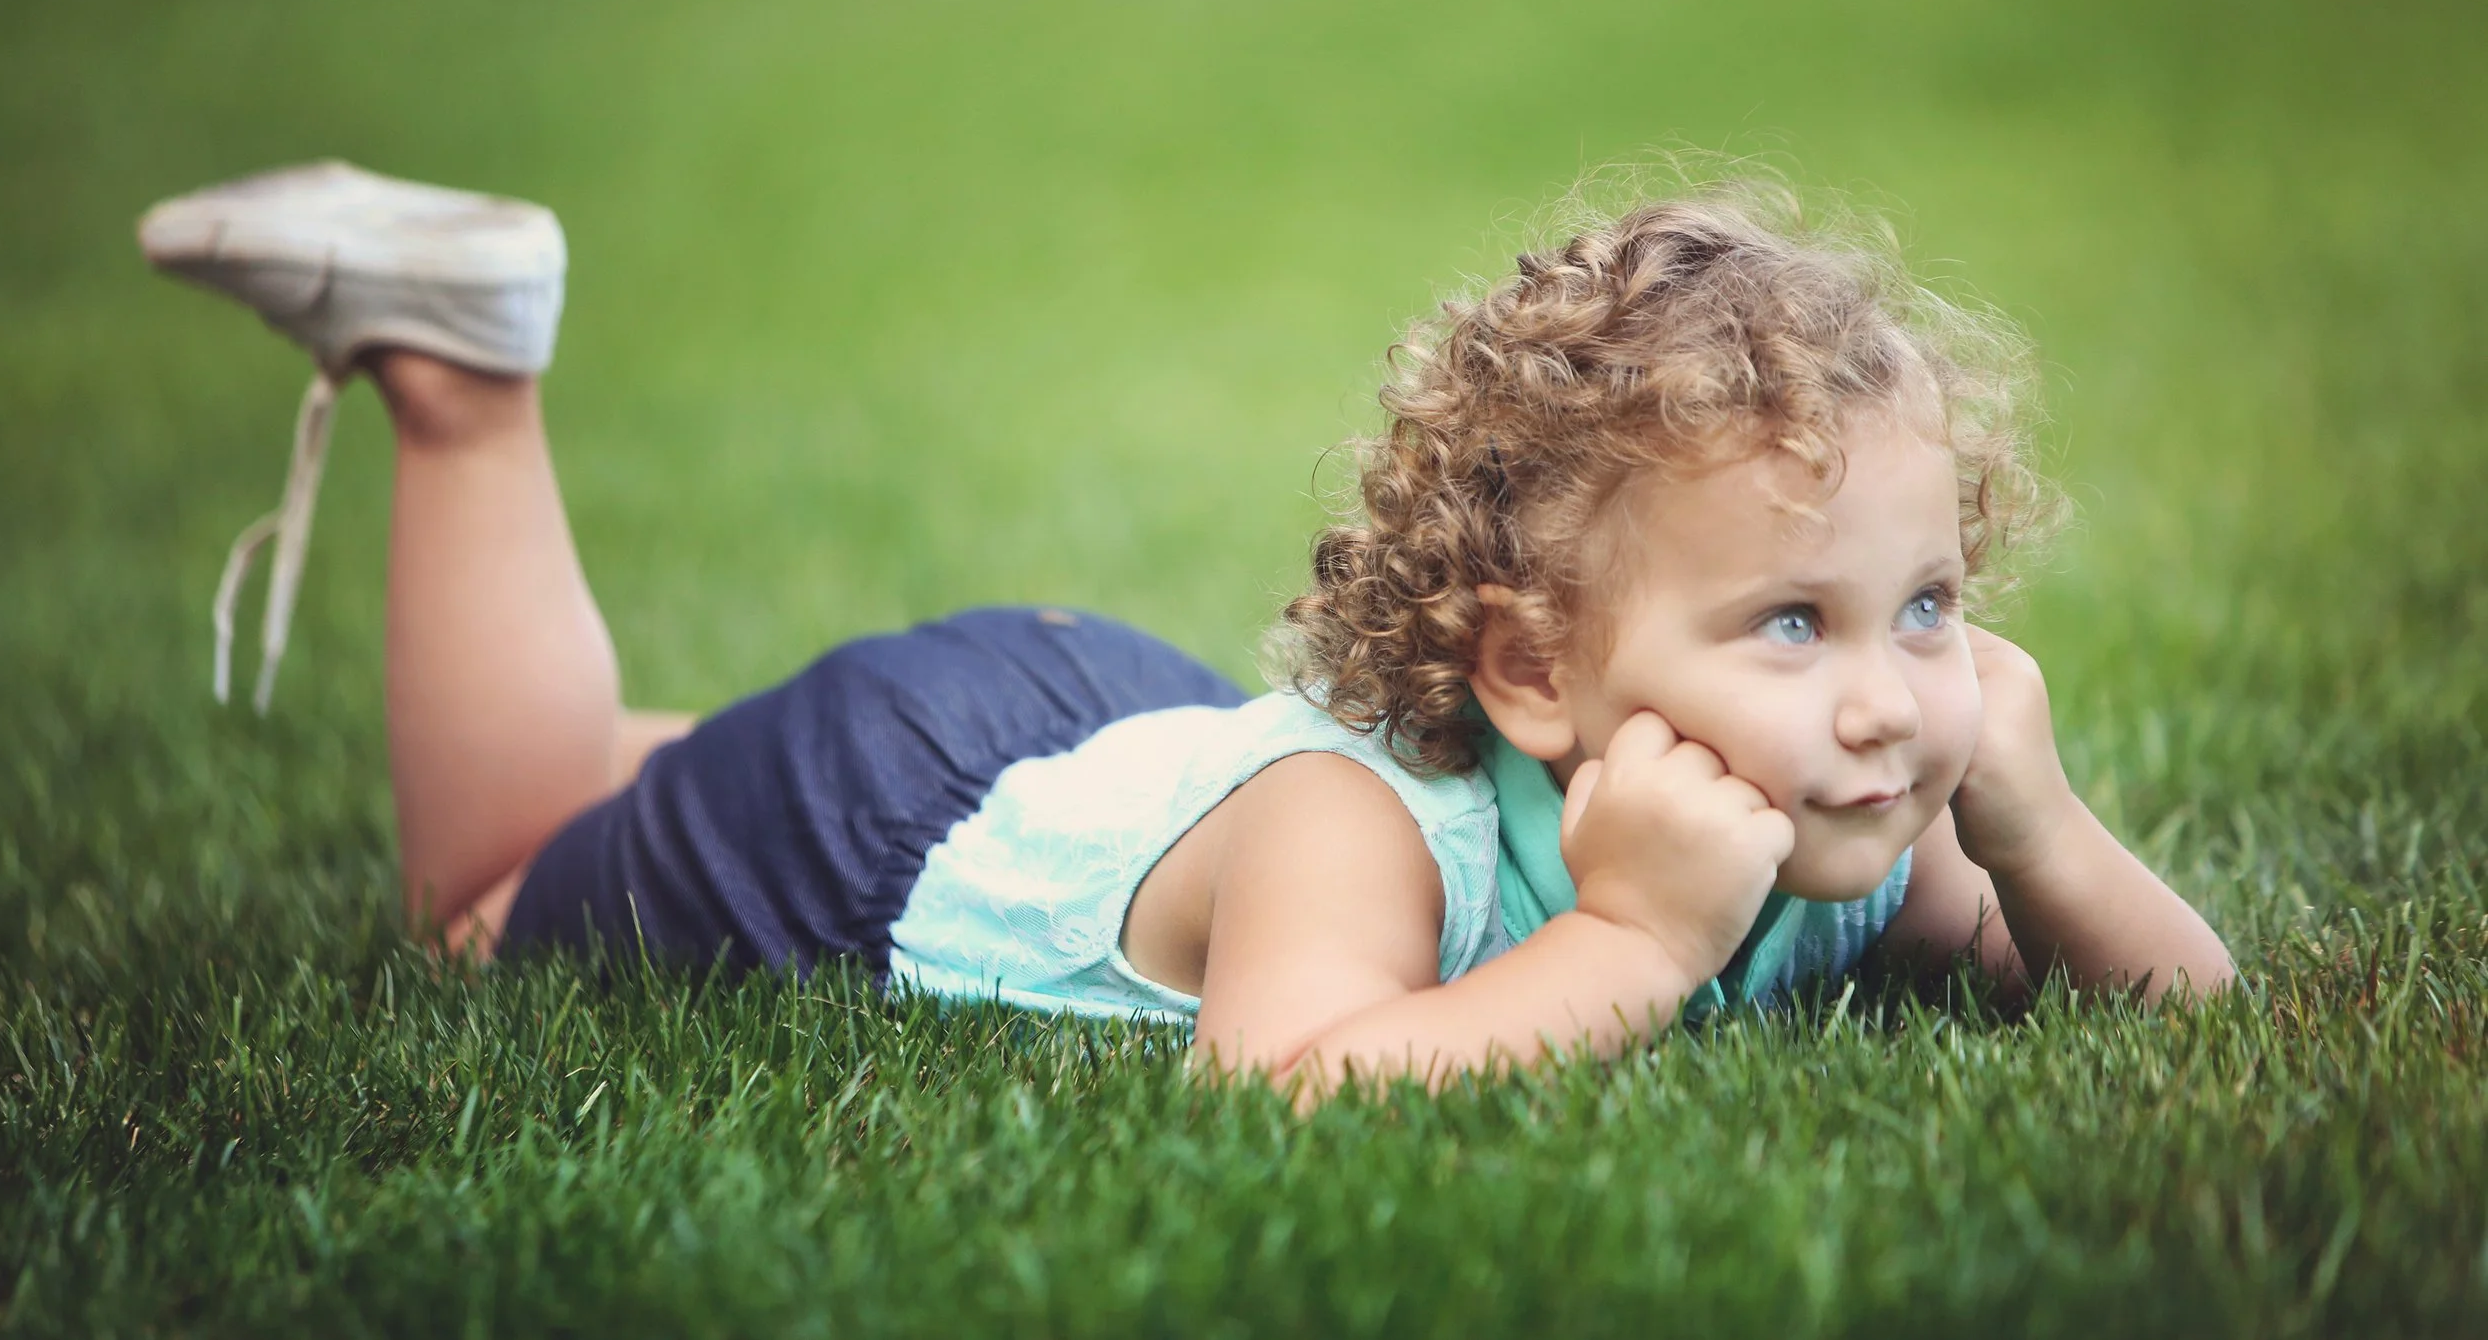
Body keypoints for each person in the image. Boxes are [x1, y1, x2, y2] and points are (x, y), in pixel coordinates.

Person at [140, 160, 2234, 1096]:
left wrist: (2041, 836)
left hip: (1108, 738)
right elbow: (1297, 1084)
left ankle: (641, 732)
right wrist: (1626, 946)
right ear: (1524, 672)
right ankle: (467, 374)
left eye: (1927, 604)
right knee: (495, 885)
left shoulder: (1851, 796)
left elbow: (2177, 1013)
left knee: (632, 775)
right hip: (894, 812)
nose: (1885, 695)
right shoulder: (1356, 826)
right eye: (1789, 623)